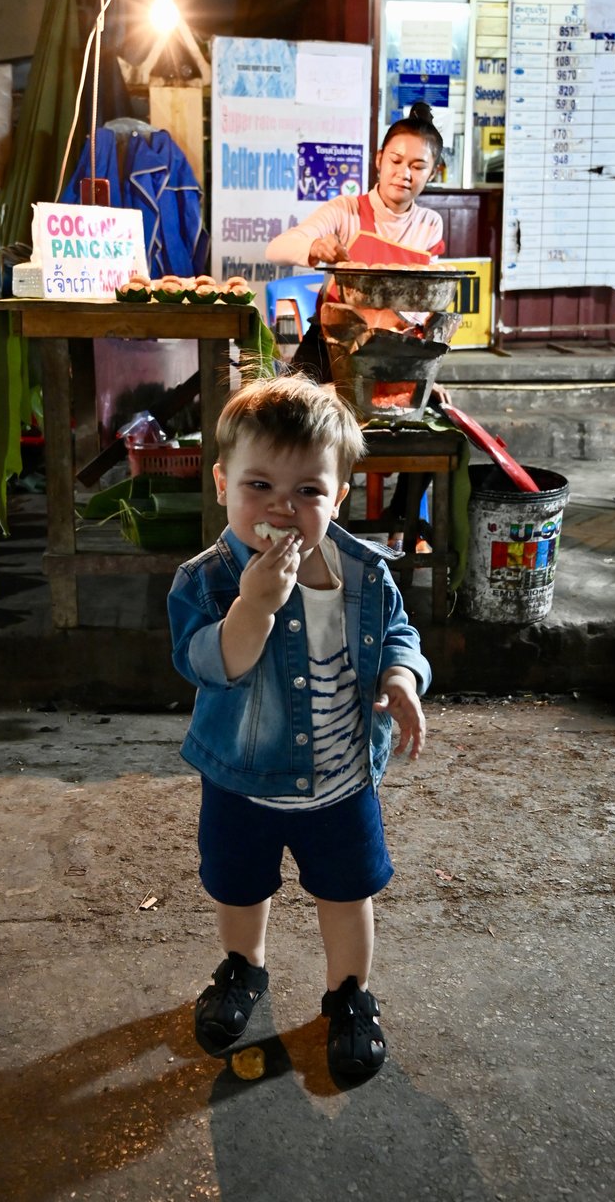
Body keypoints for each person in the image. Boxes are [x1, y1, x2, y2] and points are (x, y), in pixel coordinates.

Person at [167, 373, 430, 1082]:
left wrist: (401, 678)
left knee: (348, 893)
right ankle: (243, 968)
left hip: (341, 780)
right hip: (241, 780)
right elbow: (209, 665)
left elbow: (399, 634)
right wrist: (253, 606)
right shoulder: (208, 580)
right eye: (259, 486)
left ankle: (350, 996)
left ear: (338, 495)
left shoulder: (366, 572)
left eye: (309, 491)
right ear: (222, 483)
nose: (283, 507)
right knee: (239, 886)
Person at [265, 100, 450, 548]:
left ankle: (402, 524)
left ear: (432, 173)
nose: (405, 173)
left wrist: (435, 373)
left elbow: (427, 307)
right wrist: (315, 249)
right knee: (288, 420)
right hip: (332, 344)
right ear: (379, 161)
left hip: (397, 351)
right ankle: (303, 524)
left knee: (432, 423)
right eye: (397, 161)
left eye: (418, 166)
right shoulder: (346, 211)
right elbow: (278, 246)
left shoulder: (429, 223)